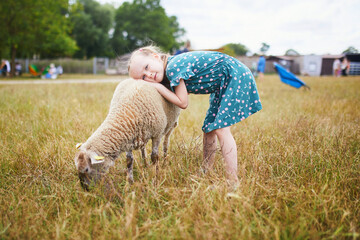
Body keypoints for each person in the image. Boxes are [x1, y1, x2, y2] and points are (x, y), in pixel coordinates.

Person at [127, 46, 262, 187]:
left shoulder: (173, 67)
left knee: (221, 129)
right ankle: (206, 171)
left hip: (233, 75)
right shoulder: (170, 69)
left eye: (147, 67)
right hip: (223, 82)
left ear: (155, 57)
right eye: (143, 77)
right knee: (209, 129)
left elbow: (183, 102)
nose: (148, 74)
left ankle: (232, 181)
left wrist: (159, 87)